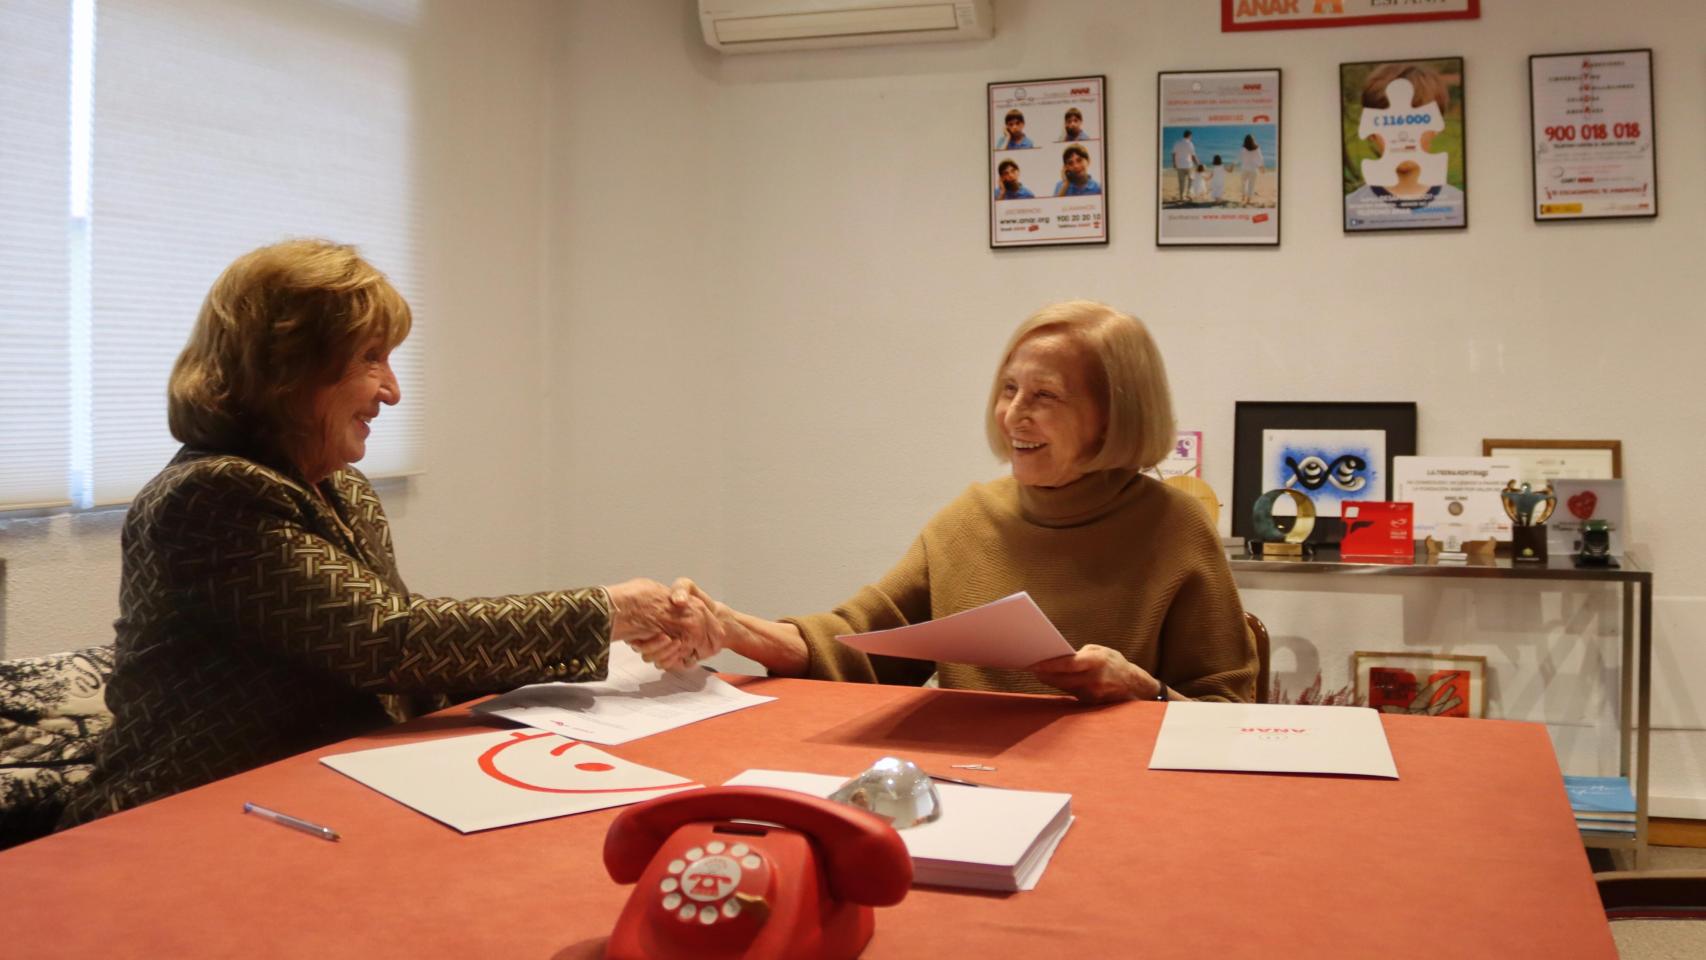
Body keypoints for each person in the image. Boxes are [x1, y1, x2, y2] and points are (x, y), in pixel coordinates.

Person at [59, 239, 715, 826]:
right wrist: (605, 613)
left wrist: (596, 673)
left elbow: (405, 662)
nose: (393, 391)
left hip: (307, 791)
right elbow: (384, 640)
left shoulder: (340, 487)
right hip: (178, 819)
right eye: (371, 359)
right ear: (288, 368)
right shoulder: (212, 494)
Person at [640, 301, 1256, 704]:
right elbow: (858, 641)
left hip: (1119, 802)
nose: (1013, 414)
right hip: (973, 790)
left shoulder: (1175, 528)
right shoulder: (970, 519)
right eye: (1009, 389)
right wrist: (731, 627)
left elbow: (1228, 716)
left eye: (1045, 395)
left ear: (1114, 415)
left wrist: (1145, 694)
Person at [1343, 63, 1464, 227]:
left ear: (1437, 127)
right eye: (1390, 123)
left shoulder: (1458, 207)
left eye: (1416, 122)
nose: (1404, 136)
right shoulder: (1351, 210)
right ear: (1370, 131)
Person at [1170, 130, 1198, 202]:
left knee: (1181, 182)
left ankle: (1181, 197)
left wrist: (1174, 163)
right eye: (1191, 136)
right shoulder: (1190, 144)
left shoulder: (1177, 143)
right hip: (1188, 165)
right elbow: (1193, 156)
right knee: (1191, 179)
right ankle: (1188, 194)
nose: (1191, 137)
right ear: (1189, 136)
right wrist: (1197, 164)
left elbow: (1173, 154)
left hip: (1179, 165)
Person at [1239, 134, 1264, 206]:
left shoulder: (1243, 148)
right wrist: (1261, 167)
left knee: (1243, 183)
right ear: (1253, 141)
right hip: (1253, 169)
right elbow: (1260, 158)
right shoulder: (1257, 148)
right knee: (1251, 185)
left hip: (1244, 169)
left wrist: (1233, 164)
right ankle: (1248, 200)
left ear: (1245, 141)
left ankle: (1243, 196)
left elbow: (1239, 157)